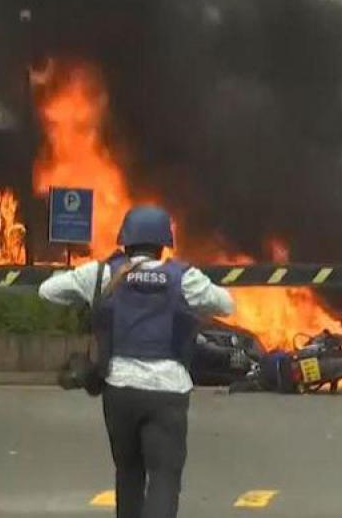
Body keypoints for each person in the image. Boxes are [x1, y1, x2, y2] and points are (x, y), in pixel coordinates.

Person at [39, 205, 234, 518]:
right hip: (168, 391)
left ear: (125, 241)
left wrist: (86, 291)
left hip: (119, 390)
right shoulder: (183, 278)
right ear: (163, 244)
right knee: (164, 477)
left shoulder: (103, 274)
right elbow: (226, 305)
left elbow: (47, 291)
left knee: (128, 473)